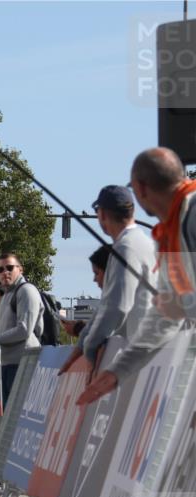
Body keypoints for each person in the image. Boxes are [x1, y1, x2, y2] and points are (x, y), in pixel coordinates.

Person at [81, 147, 196, 404]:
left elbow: (174, 307)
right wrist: (118, 372)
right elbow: (165, 318)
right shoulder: (173, 229)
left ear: (141, 189)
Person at [61, 186, 158, 376]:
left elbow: (116, 307)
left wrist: (89, 349)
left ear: (102, 214)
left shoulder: (125, 248)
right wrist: (82, 343)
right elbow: (107, 304)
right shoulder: (145, 242)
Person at [0, 252, 43, 406]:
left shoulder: (26, 291)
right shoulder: (5, 296)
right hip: (7, 365)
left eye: (10, 267)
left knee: (19, 418)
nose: (5, 272)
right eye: (0, 269)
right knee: (9, 418)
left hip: (23, 363)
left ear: (20, 269)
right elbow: (7, 332)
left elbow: (24, 329)